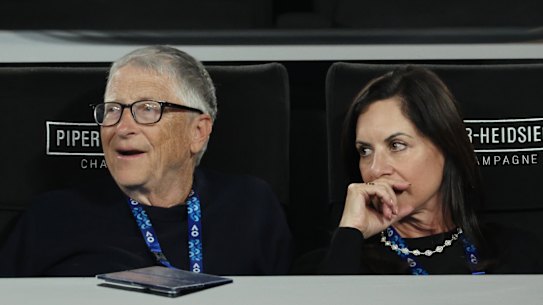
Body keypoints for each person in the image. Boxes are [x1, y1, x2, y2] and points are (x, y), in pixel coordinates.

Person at [0, 45, 292, 276]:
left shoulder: (251, 206)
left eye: (148, 109)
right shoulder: (52, 216)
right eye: (113, 109)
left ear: (198, 131)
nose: (122, 128)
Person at [321, 65, 543, 274]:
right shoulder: (334, 262)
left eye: (396, 145)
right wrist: (351, 234)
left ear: (446, 146)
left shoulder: (518, 254)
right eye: (365, 151)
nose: (376, 169)